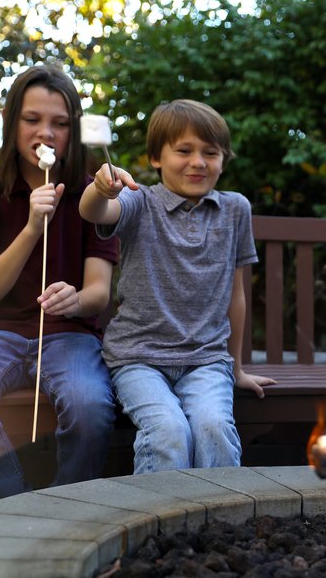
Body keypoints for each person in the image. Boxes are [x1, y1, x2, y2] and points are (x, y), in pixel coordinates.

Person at [0, 64, 119, 503]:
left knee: (91, 407)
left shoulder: (93, 195)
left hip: (69, 335)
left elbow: (98, 293)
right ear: (12, 123)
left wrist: (73, 300)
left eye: (60, 124)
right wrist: (33, 226)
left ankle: (67, 514)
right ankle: (15, 509)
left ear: (73, 132)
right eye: (32, 120)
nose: (45, 133)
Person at [79, 99, 274, 474]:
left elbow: (237, 295)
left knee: (214, 428)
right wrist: (101, 190)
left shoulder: (235, 209)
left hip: (206, 360)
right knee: (167, 432)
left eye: (210, 153)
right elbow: (94, 212)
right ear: (156, 157)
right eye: (184, 151)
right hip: (139, 358)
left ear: (223, 159)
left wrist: (236, 368)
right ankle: (159, 529)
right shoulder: (140, 201)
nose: (198, 162)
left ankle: (222, 526)